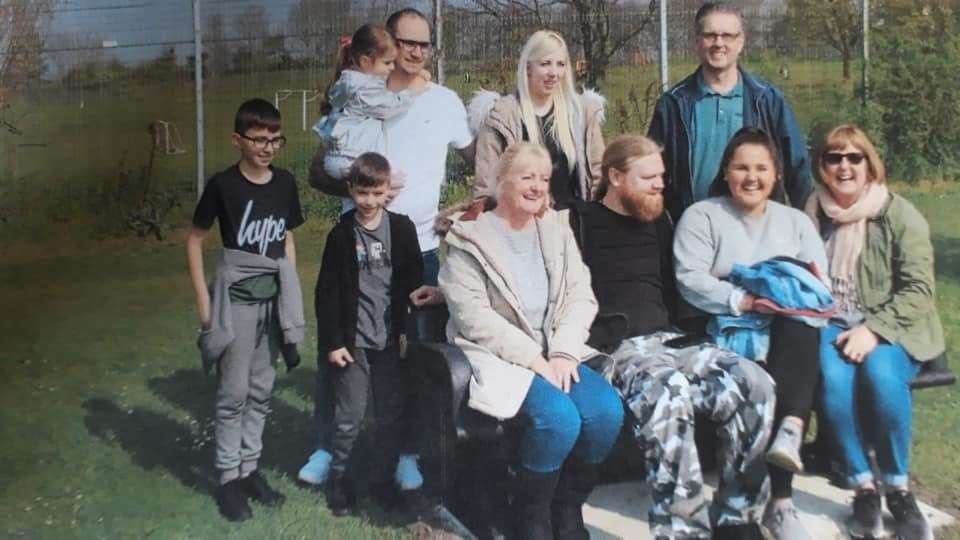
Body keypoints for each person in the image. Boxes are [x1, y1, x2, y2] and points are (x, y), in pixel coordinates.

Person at [301, 7, 474, 492]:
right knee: (341, 348)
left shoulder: (444, 102)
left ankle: (408, 453)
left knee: (411, 355)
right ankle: (324, 445)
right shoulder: (362, 96)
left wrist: (469, 204)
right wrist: (366, 195)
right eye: (407, 43)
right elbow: (318, 170)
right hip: (356, 246)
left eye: (425, 44)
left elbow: (476, 159)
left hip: (418, 247)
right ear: (387, 45)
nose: (416, 52)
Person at [570, 134, 776, 540]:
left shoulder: (660, 222)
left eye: (662, 176)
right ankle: (683, 530)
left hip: (673, 341)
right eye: (649, 177)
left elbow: (682, 283)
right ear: (615, 176)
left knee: (754, 383)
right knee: (670, 391)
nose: (660, 185)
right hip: (615, 349)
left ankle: (738, 516)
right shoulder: (577, 220)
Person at [439, 142, 624, 539]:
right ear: (500, 182)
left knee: (606, 412)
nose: (538, 186)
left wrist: (560, 352)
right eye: (527, 177)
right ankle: (530, 514)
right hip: (502, 357)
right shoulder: (468, 240)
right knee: (558, 418)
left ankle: (567, 505)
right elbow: (473, 317)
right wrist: (535, 360)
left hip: (557, 352)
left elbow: (580, 295)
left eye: (544, 178)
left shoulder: (556, 229)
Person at [673, 127, 827, 540]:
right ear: (725, 171)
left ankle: (781, 495)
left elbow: (817, 285)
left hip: (790, 332)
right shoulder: (703, 216)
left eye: (761, 168)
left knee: (799, 330)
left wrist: (780, 300)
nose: (751, 177)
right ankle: (763, 495)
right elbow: (690, 279)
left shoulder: (794, 222)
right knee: (771, 359)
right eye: (741, 167)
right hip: (724, 326)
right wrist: (746, 300)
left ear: (776, 175)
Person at [806, 125, 943, 540]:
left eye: (854, 157)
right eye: (834, 157)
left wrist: (875, 330)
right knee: (831, 380)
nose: (844, 166)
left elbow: (919, 289)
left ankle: (898, 488)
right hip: (829, 321)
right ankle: (862, 483)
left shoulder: (897, 213)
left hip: (892, 325)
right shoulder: (809, 212)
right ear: (822, 166)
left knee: (882, 378)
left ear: (870, 164)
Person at [186, 98, 306, 522]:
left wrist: (288, 289)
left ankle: (251, 469)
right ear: (237, 140)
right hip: (236, 301)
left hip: (271, 302)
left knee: (261, 388)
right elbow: (195, 240)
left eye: (275, 139)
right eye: (258, 139)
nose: (268, 147)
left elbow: (286, 238)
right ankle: (228, 479)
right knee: (233, 393)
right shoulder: (223, 185)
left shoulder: (285, 182)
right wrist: (206, 304)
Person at [314, 152, 442, 515]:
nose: (369, 201)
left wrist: (415, 301)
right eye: (362, 193)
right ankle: (340, 480)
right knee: (350, 414)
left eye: (377, 193)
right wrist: (334, 342)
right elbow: (326, 294)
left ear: (389, 192)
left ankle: (382, 480)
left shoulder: (400, 229)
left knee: (389, 412)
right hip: (353, 340)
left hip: (390, 339)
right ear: (351, 190)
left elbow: (413, 277)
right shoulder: (341, 234)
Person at [648, 2, 812, 222]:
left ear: (741, 42)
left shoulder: (768, 100)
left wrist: (809, 226)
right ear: (697, 41)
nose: (719, 43)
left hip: (758, 228)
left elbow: (797, 168)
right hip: (693, 231)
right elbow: (653, 172)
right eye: (710, 35)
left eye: (727, 35)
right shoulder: (673, 104)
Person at [470, 29, 605, 209]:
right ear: (528, 68)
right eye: (545, 63)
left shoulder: (582, 113)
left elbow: (599, 174)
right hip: (520, 225)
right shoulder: (501, 116)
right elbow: (486, 186)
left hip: (573, 224)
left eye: (560, 64)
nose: (554, 73)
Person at [313, 23, 429, 196]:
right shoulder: (364, 87)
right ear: (365, 61)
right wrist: (413, 90)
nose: (392, 67)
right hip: (349, 159)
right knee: (391, 183)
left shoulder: (349, 79)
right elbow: (389, 107)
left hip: (341, 157)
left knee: (388, 183)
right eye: (387, 62)